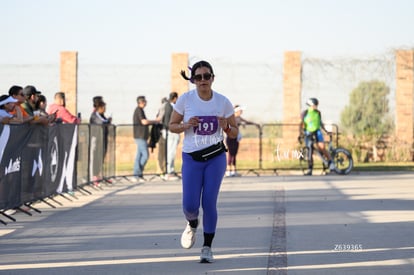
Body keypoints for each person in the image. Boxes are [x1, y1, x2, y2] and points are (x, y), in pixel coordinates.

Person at [169, 60, 238, 263]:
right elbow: (171, 125)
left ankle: (207, 247)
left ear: (212, 78)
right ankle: (192, 224)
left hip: (215, 157)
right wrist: (185, 125)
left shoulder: (223, 102)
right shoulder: (185, 100)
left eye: (206, 76)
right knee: (190, 205)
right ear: (193, 80)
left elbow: (234, 132)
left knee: (209, 202)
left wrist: (226, 126)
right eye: (198, 77)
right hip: (192, 158)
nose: (202, 80)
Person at [299, 97, 334, 175]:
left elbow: (320, 123)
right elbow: (301, 124)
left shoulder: (318, 112)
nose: (316, 106)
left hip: (317, 132)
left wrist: (326, 131)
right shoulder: (305, 113)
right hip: (308, 133)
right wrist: (300, 134)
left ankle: (331, 163)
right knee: (309, 151)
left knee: (322, 147)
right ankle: (310, 168)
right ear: (311, 105)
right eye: (315, 105)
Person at [225, 105, 259, 177]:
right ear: (236, 111)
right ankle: (228, 171)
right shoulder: (232, 118)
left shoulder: (239, 118)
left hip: (236, 138)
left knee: (234, 154)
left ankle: (234, 170)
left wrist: (255, 124)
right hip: (230, 137)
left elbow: (246, 122)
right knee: (230, 154)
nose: (241, 112)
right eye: (240, 110)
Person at [133, 96, 160, 182]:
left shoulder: (141, 110)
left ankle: (137, 174)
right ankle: (138, 173)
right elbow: (143, 121)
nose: (146, 103)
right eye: (144, 101)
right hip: (140, 136)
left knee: (139, 156)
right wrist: (155, 121)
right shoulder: (138, 110)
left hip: (142, 136)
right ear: (141, 102)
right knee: (145, 155)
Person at [89, 100, 112, 186]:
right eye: (104, 107)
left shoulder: (102, 115)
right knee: (96, 157)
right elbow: (101, 122)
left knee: (101, 156)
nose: (105, 109)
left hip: (103, 138)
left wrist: (109, 121)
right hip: (97, 138)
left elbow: (105, 122)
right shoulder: (95, 115)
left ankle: (99, 175)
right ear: (100, 108)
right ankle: (94, 176)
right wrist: (107, 122)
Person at [163, 92, 180, 180]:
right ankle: (169, 171)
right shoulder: (168, 106)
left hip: (174, 132)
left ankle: (171, 169)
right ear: (174, 98)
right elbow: (167, 120)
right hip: (171, 132)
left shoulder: (173, 106)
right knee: (170, 152)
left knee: (173, 152)